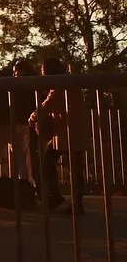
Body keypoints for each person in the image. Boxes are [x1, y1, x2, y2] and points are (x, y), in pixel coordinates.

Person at [31, 57, 89, 214]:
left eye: (43, 71)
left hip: (67, 132)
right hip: (71, 130)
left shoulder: (59, 87)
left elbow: (45, 106)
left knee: (48, 161)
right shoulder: (68, 83)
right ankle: (74, 203)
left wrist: (32, 117)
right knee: (73, 168)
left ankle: (57, 196)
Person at [10, 59, 41, 187]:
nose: (14, 75)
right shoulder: (35, 84)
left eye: (15, 72)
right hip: (30, 123)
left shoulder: (22, 87)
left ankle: (26, 184)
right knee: (30, 155)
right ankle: (30, 184)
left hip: (23, 123)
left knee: (25, 156)